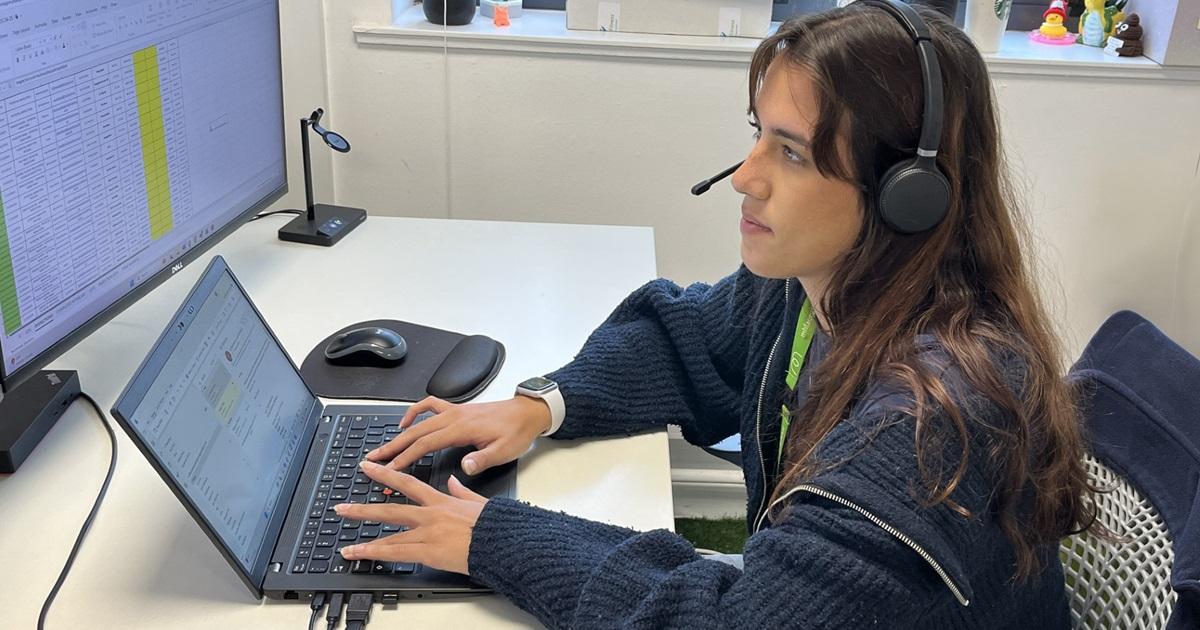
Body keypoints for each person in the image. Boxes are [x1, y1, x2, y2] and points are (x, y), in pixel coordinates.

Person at [332, 2, 1100, 627]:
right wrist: (540, 406)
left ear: (908, 194)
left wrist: (494, 537)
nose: (745, 177)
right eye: (755, 135)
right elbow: (688, 338)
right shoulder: (823, 288)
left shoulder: (930, 425)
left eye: (792, 153)